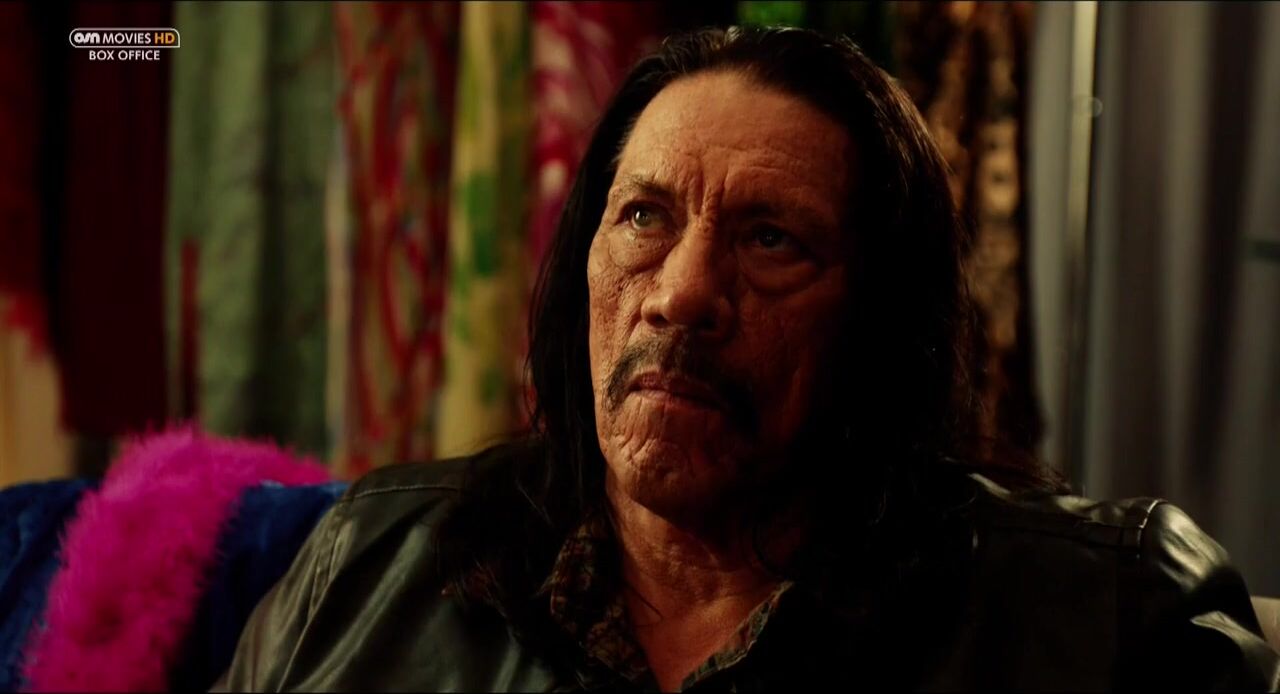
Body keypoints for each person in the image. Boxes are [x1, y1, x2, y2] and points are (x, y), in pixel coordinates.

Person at [215, 26, 1279, 692]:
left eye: (771, 239)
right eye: (643, 216)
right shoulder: (366, 569)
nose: (680, 292)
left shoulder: (1100, 622)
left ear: (880, 318)